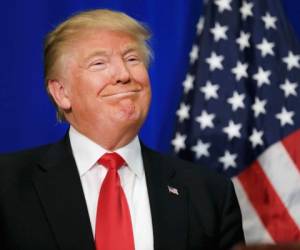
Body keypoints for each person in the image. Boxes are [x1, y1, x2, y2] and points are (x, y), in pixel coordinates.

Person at [0, 9, 244, 250]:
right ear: (62, 93)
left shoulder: (210, 193)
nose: (124, 75)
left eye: (132, 59)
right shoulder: (7, 185)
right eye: (99, 63)